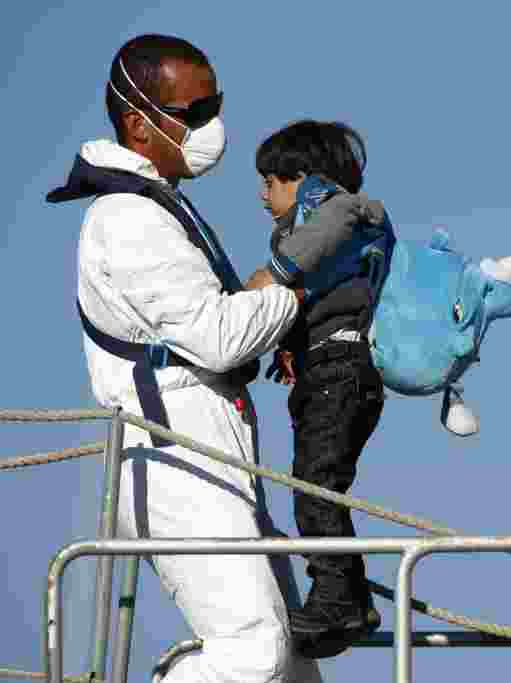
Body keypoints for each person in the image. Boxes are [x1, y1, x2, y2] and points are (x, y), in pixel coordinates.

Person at [47, 35, 321, 683]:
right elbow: (219, 335)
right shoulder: (126, 220)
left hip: (215, 464)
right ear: (140, 125)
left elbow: (225, 315)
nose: (213, 127)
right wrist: (299, 287)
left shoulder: (162, 209)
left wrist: (279, 300)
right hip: (174, 464)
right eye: (194, 114)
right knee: (254, 652)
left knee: (293, 663)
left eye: (215, 105)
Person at [245, 120, 393, 658]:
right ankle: (351, 597)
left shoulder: (332, 211)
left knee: (315, 489)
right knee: (318, 485)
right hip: (327, 376)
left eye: (269, 182)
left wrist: (271, 273)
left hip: (340, 374)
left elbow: (333, 220)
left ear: (302, 179)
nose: (262, 196)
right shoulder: (324, 244)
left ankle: (336, 602)